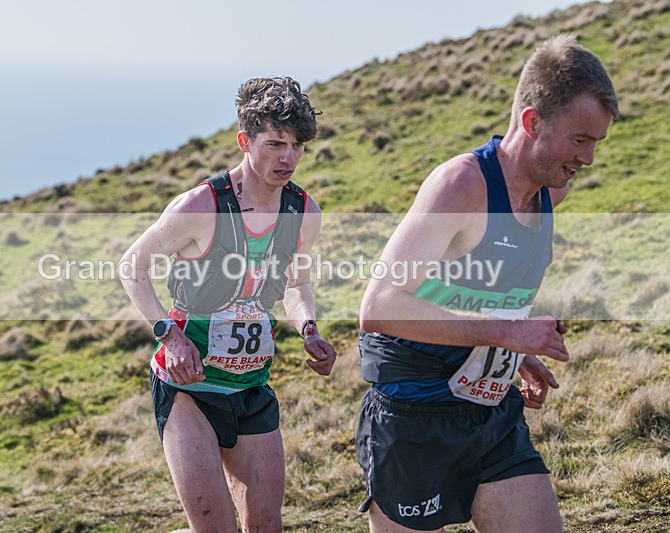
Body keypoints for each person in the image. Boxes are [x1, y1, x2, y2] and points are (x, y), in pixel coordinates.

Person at [356, 34, 618, 532]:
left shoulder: (552, 193)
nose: (588, 160)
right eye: (580, 140)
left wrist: (513, 354)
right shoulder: (461, 186)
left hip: (490, 413)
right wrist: (507, 335)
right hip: (414, 414)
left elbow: (473, 295)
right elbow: (381, 306)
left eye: (596, 143)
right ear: (532, 121)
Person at [119, 77, 337, 532]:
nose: (288, 158)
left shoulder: (303, 212)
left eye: (297, 147)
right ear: (245, 140)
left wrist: (309, 329)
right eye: (276, 144)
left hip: (252, 386)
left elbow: (296, 284)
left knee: (266, 526)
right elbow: (131, 268)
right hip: (188, 389)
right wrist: (170, 336)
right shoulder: (201, 206)